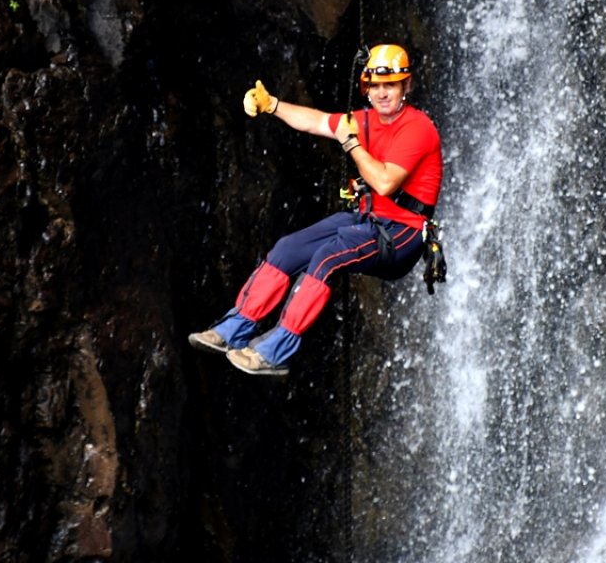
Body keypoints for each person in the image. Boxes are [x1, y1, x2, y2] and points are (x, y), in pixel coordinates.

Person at [189, 44, 443, 375]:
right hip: (368, 221)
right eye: (376, 86)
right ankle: (235, 327)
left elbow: (384, 183)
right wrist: (273, 105)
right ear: (367, 88)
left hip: (401, 235)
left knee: (328, 256)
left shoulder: (417, 128)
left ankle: (275, 352)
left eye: (391, 85)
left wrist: (350, 144)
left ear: (405, 86)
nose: (382, 93)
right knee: (288, 248)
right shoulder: (363, 121)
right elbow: (317, 121)